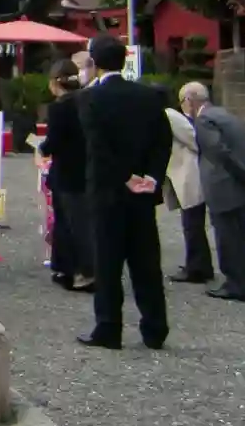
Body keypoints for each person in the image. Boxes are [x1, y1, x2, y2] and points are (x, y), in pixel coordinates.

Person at [77, 34, 173, 350]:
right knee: (146, 261)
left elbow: (98, 147)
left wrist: (124, 176)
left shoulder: (90, 98)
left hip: (107, 191)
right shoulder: (148, 96)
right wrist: (151, 177)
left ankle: (109, 327)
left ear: (95, 62)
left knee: (107, 262)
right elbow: (163, 141)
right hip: (143, 192)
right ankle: (155, 328)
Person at [183, 82, 245, 302]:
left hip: (226, 188)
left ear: (190, 101)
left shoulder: (204, 121)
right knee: (241, 239)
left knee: (228, 238)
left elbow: (219, 153)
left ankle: (236, 285)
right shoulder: (227, 115)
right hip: (244, 190)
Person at [39, 58, 93, 292]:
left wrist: (41, 148)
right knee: (77, 221)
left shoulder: (59, 107)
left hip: (66, 170)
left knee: (69, 223)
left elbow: (54, 141)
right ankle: (69, 269)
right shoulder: (88, 100)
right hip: (85, 168)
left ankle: (81, 271)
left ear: (55, 82)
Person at [165, 84, 212, 284]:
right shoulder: (178, 117)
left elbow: (194, 140)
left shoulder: (172, 117)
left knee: (192, 224)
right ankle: (200, 264)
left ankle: (197, 267)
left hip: (189, 175)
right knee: (192, 223)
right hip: (187, 175)